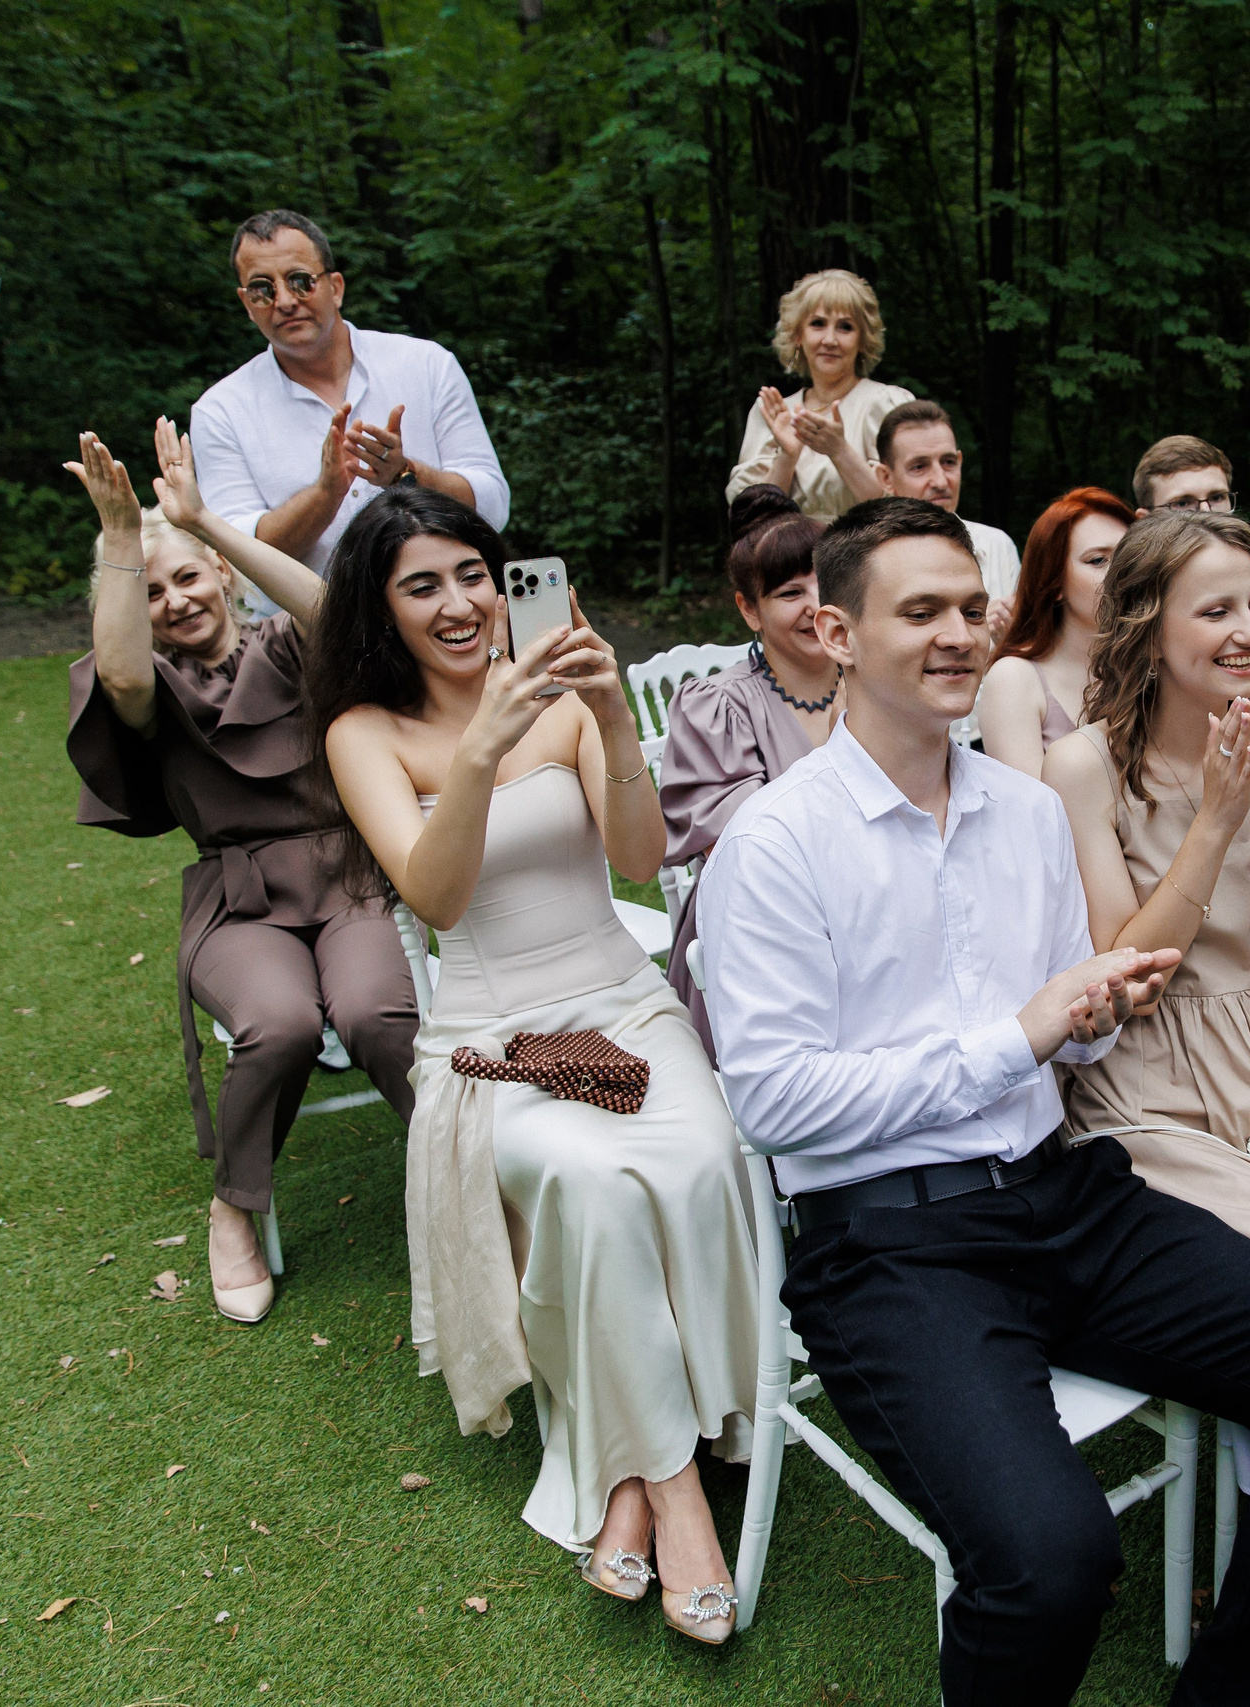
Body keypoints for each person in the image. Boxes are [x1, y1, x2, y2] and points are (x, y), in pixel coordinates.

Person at [695, 497, 1250, 1706]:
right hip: (892, 1246)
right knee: (1052, 1560)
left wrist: (1085, 1018)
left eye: (970, 608)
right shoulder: (777, 843)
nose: (958, 633)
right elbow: (778, 1104)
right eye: (920, 612)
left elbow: (1062, 1042)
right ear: (835, 632)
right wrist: (1023, 1035)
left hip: (1069, 1197)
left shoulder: (1023, 813)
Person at [314, 485, 757, 1643]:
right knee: (594, 1185)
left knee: (705, 1157)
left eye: (474, 575)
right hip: (491, 1041)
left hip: (623, 1001)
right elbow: (436, 894)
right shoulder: (367, 734)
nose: (459, 604)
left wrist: (609, 718)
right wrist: (483, 746)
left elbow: (639, 856)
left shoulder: (565, 697)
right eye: (423, 586)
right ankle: (675, 1492)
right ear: (384, 607)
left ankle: (623, 1483)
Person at [63, 422, 417, 1326]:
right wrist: (119, 538)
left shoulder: (294, 649)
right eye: (151, 593)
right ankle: (235, 1203)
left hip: (350, 873)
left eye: (185, 576)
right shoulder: (152, 686)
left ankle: (471, 1175)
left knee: (378, 1011)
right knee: (281, 1023)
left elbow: (340, 614)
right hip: (241, 898)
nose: (175, 600)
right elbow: (120, 673)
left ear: (221, 576)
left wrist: (205, 523)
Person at [1043, 509, 1250, 1281]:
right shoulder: (1083, 766)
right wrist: (1220, 818)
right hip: (1156, 1084)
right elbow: (1131, 975)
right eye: (1216, 611)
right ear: (1149, 631)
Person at [188, 208, 509, 583]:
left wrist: (407, 474)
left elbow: (493, 505)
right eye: (263, 289)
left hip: (444, 613)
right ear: (246, 304)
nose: (285, 301)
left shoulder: (426, 364)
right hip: (306, 630)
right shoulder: (220, 410)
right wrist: (325, 494)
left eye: (300, 281)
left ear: (335, 287)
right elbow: (236, 559)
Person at [658, 490, 837, 1056]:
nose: (815, 606)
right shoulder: (718, 706)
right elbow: (737, 850)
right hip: (764, 935)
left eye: (826, 587)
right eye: (790, 593)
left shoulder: (879, 688)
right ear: (749, 610)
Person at [726, 269, 914, 520]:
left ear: (862, 340)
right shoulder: (773, 412)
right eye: (818, 324)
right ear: (798, 336)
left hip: (867, 557)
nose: (830, 340)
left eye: (845, 327)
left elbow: (910, 509)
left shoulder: (887, 405)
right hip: (792, 559)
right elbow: (752, 520)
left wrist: (840, 451)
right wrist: (788, 456)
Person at [976, 487, 1133, 775]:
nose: (1121, 573)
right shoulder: (1015, 678)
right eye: (1098, 560)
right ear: (1055, 582)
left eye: (1129, 557)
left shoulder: (1155, 665)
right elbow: (1031, 814)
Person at [1129, 434, 1250, 705]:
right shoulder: (1130, 613)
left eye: (1216, 497)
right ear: (1144, 521)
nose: (1206, 512)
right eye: (1182, 503)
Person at [870, 398, 1023, 629]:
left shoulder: (997, 547)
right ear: (885, 478)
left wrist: (1008, 642)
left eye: (948, 462)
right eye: (919, 466)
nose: (941, 481)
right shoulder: (867, 558)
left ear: (961, 462)